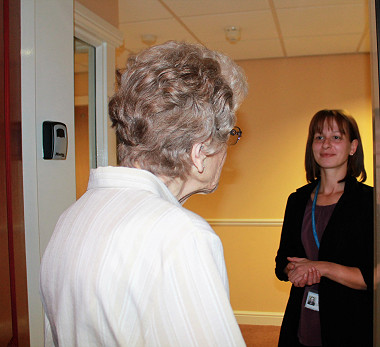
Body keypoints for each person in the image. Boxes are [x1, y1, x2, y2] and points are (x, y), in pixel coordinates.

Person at [39, 41, 248, 346]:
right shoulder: (181, 236)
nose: (228, 150)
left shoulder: (73, 216)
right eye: (229, 135)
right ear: (200, 150)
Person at [275, 109, 373, 347]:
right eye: (319, 137)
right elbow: (281, 264)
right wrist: (294, 270)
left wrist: (322, 267)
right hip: (301, 320)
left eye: (336, 137)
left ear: (353, 147)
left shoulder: (369, 202)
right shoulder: (297, 200)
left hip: (350, 324)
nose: (326, 144)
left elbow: (372, 276)